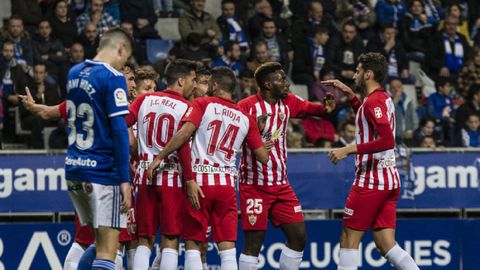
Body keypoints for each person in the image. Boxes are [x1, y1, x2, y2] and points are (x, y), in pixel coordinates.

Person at [147, 67, 269, 270]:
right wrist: (258, 132)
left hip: (199, 183)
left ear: (215, 85)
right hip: (227, 187)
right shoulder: (246, 118)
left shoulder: (203, 104)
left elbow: (184, 134)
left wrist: (160, 156)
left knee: (194, 243)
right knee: (228, 247)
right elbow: (263, 157)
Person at [322, 52, 419, 270]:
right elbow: (367, 120)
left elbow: (386, 140)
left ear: (368, 74)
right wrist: (350, 95)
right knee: (386, 245)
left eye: (357, 70)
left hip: (371, 180)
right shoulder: (381, 98)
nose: (353, 74)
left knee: (348, 240)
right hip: (389, 179)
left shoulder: (374, 101)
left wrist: (349, 149)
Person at [237, 62, 335, 270]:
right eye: (281, 79)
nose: (287, 83)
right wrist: (253, 136)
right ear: (267, 84)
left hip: (281, 185)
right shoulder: (246, 106)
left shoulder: (288, 102)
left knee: (299, 238)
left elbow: (312, 109)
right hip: (254, 185)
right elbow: (230, 139)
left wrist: (325, 109)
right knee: (254, 244)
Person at [65, 28, 133, 270]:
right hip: (104, 173)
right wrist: (124, 179)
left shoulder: (74, 73)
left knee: (97, 241)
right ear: (121, 49)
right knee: (108, 252)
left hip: (74, 168)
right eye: (125, 58)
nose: (123, 63)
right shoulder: (113, 77)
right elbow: (119, 131)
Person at [126, 59, 197, 270]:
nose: (194, 85)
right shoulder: (187, 107)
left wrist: (135, 154)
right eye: (193, 80)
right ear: (181, 80)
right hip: (171, 178)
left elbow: (122, 124)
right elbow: (183, 146)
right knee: (170, 238)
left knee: (144, 239)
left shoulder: (145, 100)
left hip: (144, 176)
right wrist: (190, 178)